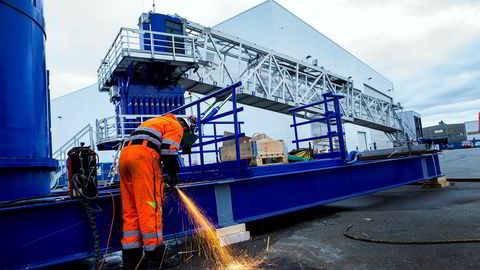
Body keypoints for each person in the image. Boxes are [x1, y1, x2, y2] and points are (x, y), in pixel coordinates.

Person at [119, 113, 197, 270]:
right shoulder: (176, 126)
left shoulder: (157, 122)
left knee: (131, 209)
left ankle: (131, 261)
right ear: (186, 127)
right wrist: (174, 174)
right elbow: (168, 153)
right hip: (143, 158)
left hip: (124, 157)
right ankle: (155, 261)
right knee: (150, 207)